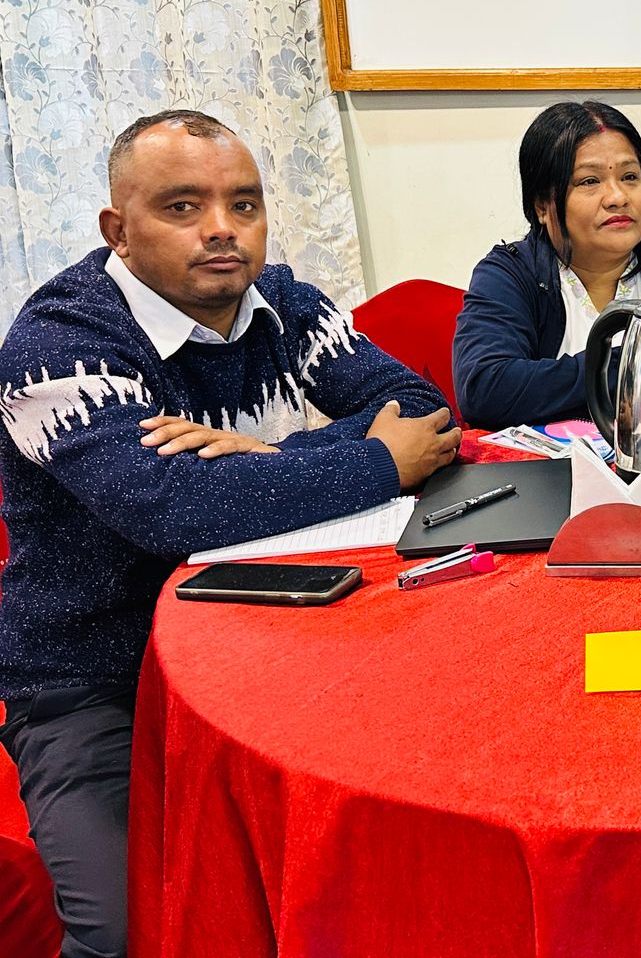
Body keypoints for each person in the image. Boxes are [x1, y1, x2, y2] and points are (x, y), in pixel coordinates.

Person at [0, 110, 460, 958]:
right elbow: (172, 510)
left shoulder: (283, 301)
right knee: (125, 928)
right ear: (118, 229)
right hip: (99, 677)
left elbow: (424, 412)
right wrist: (371, 460)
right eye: (182, 207)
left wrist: (263, 456)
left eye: (243, 204)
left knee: (397, 841)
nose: (222, 229)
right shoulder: (59, 343)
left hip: (278, 633)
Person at [453, 101, 641, 429]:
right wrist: (637, 363)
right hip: (552, 461)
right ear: (542, 205)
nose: (618, 197)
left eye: (629, 177)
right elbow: (485, 390)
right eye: (589, 181)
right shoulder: (511, 273)